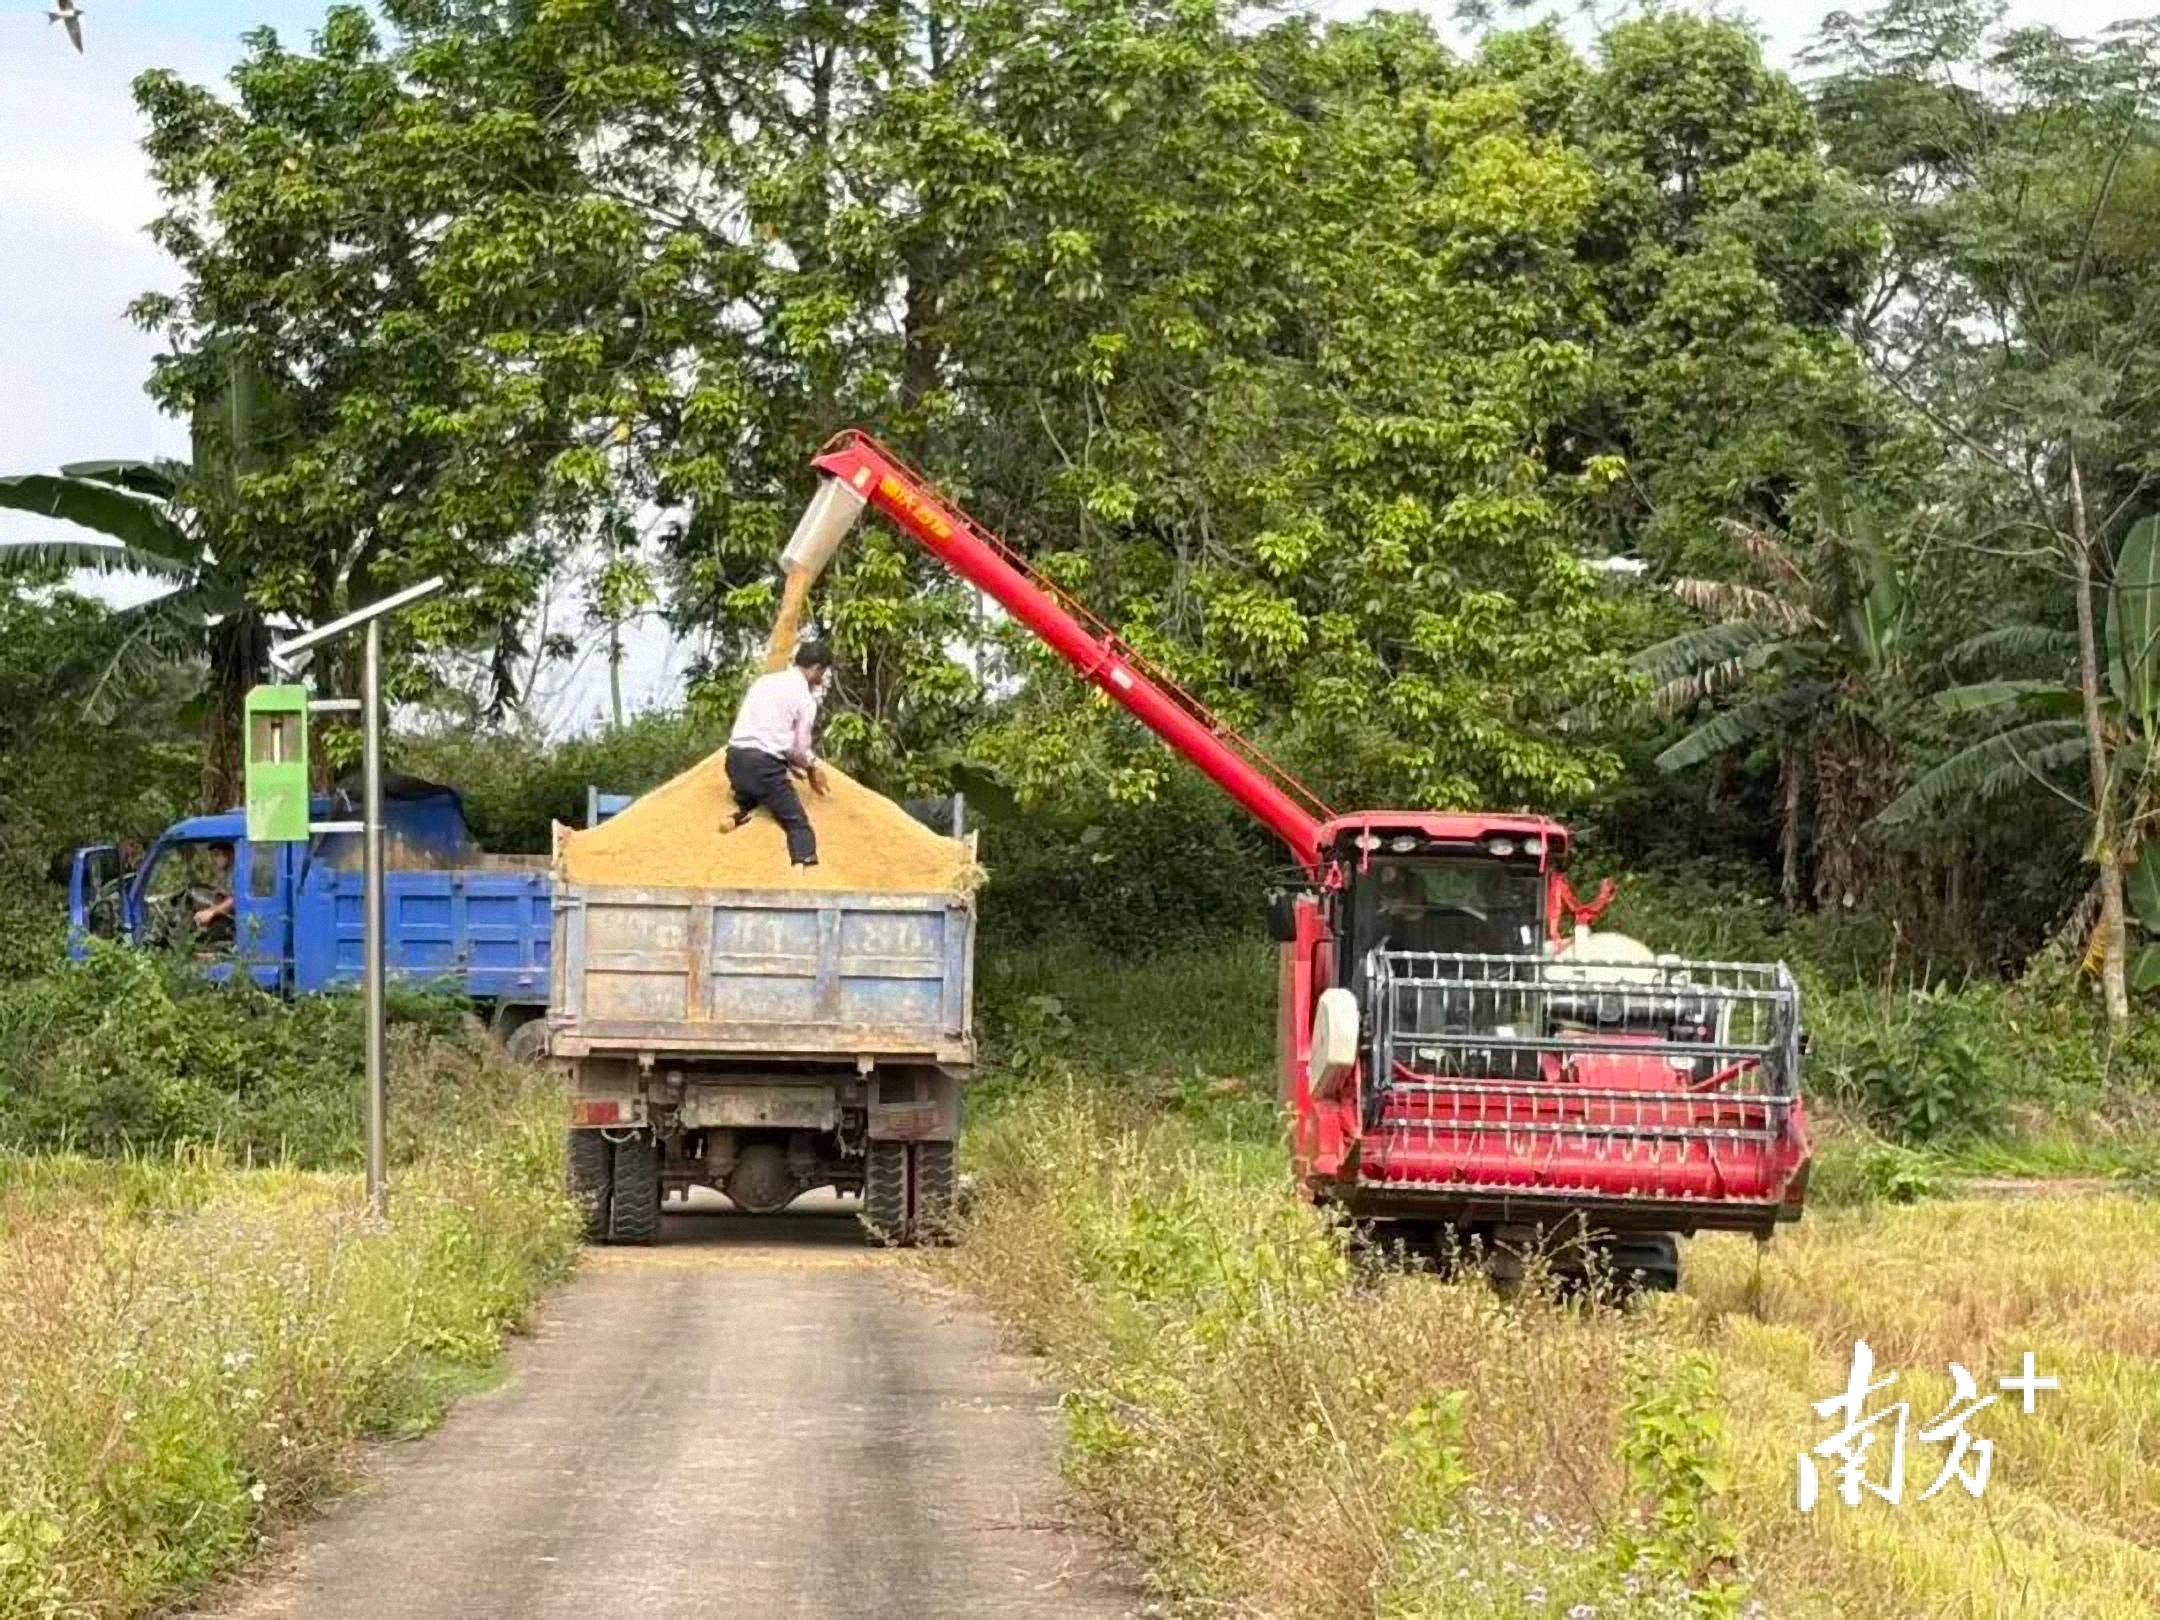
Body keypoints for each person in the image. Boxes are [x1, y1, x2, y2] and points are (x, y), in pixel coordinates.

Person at [724, 640, 834, 866]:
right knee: (798, 825)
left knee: (756, 798)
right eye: (822, 673)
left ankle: (737, 815)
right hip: (763, 767)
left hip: (734, 761)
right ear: (815, 668)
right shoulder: (805, 699)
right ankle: (804, 867)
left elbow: (766, 732)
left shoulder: (764, 682)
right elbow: (800, 749)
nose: (822, 678)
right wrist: (811, 768)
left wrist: (789, 764)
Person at [193, 843, 237, 943]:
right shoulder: (231, 872)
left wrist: (211, 912)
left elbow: (236, 899)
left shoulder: (239, 871)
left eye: (217, 855)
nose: (214, 860)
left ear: (228, 853)